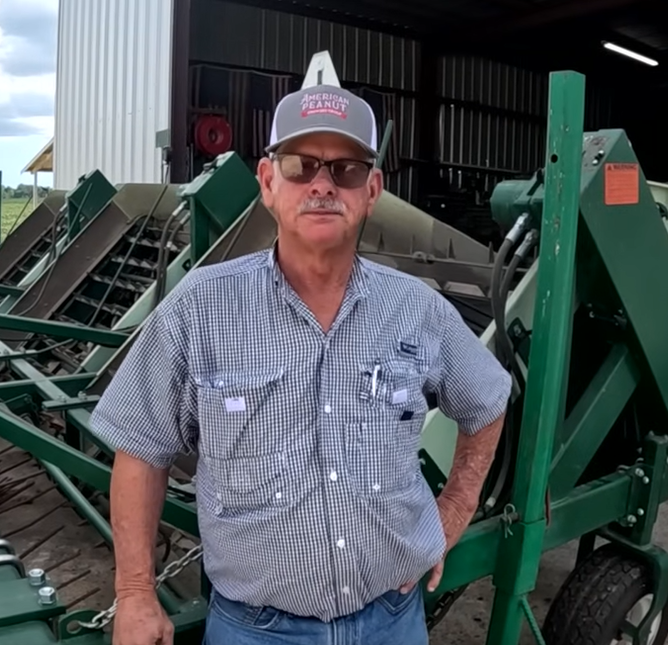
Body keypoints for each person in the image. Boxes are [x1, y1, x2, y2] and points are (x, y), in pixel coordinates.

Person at [90, 83, 512, 645]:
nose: (322, 184)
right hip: (256, 629)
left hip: (391, 620)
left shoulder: (417, 310)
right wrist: (136, 593)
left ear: (372, 191)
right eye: (300, 165)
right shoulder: (201, 308)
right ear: (268, 183)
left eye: (346, 170)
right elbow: (140, 448)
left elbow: (486, 401)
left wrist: (456, 506)